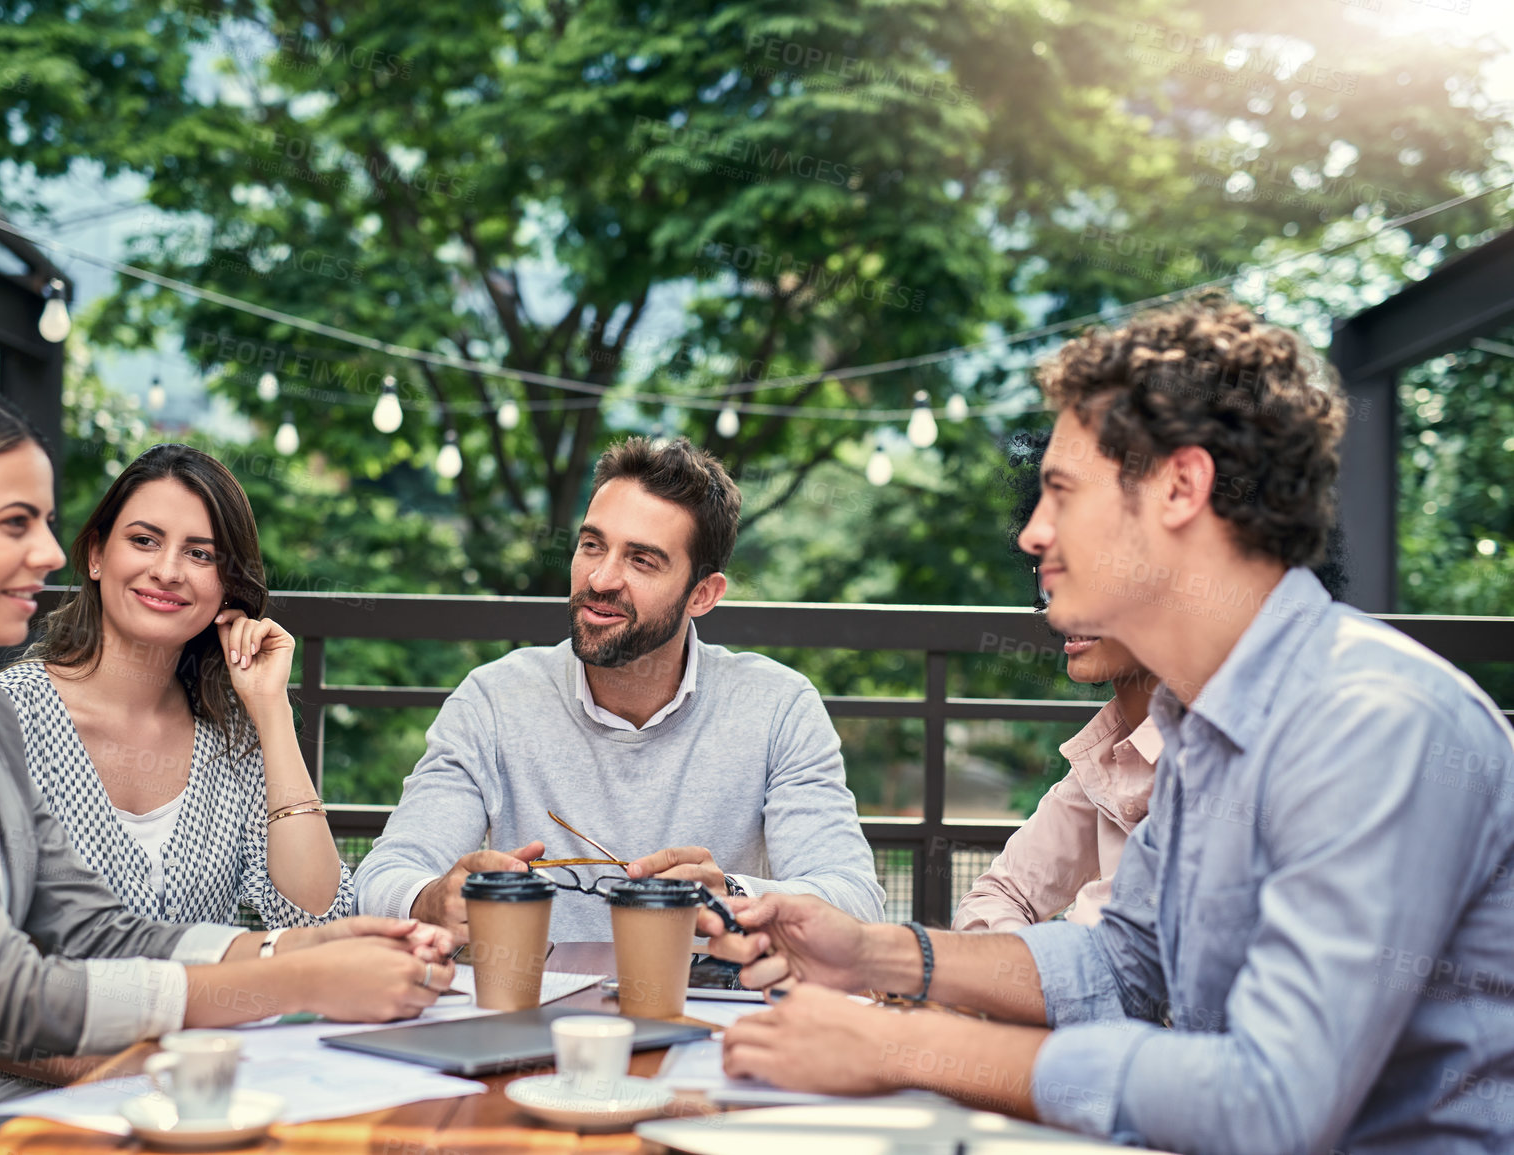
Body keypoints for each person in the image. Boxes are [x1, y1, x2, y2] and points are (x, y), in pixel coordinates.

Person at [699, 300, 1514, 1153]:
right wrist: (873, 953)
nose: (1031, 533)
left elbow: (1270, 1101)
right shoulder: (1204, 717)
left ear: (1178, 486)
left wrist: (907, 1044)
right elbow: (1121, 966)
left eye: (1060, 491)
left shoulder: (1370, 722)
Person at [0, 380, 454, 1155]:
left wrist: (303, 948)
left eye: (43, 523)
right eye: (13, 523)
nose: (45, 551)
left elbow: (93, 925)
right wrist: (296, 982)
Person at [0, 444, 358, 1133]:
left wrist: (271, 715)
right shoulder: (2, 717)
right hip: (19, 1105)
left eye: (201, 554)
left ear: (228, 586)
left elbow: (316, 923)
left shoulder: (232, 735)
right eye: (144, 540)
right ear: (95, 555)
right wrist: (130, 1071)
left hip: (193, 1097)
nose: (168, 570)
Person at [352, 436, 885, 941]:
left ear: (702, 594)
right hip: (532, 1013)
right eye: (591, 546)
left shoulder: (777, 707)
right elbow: (384, 875)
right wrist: (430, 899)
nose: (601, 579)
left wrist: (734, 895)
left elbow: (856, 899)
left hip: (711, 1016)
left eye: (641, 560)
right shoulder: (494, 700)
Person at [953, 434, 1162, 930]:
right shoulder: (1111, 751)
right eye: (1053, 579)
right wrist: (1014, 968)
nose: (1063, 606)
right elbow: (997, 896)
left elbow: (1114, 966)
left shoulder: (1225, 749)